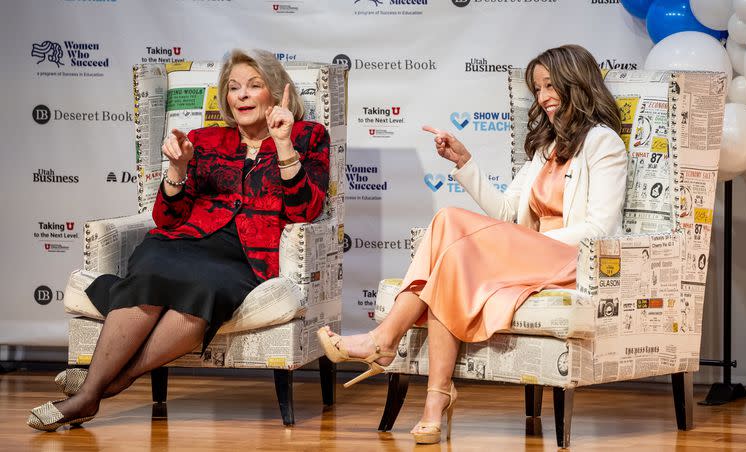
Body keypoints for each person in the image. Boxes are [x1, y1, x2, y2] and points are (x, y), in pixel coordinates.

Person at [318, 44, 626, 444]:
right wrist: (465, 163)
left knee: (449, 223)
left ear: (577, 83)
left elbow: (599, 228)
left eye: (551, 85)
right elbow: (506, 213)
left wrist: (528, 242)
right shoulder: (547, 149)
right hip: (529, 254)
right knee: (452, 264)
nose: (543, 96)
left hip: (569, 258)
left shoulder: (603, 143)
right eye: (537, 89)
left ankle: (382, 340)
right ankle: (435, 400)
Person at [27, 49, 330, 431]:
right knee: (151, 271)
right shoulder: (204, 140)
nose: (242, 95)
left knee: (204, 288)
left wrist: (284, 144)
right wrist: (177, 169)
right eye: (234, 88)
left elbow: (306, 212)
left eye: (254, 86)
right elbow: (165, 217)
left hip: (243, 255)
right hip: (181, 242)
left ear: (276, 92)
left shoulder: (309, 136)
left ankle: (97, 387)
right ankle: (97, 391)